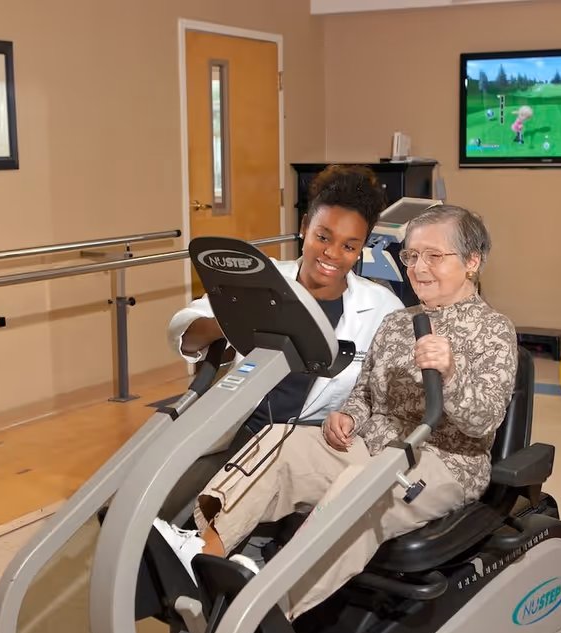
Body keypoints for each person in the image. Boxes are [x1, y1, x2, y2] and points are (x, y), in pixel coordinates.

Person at [157, 205, 519, 620]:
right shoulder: (398, 322)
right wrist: (347, 416)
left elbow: (485, 421)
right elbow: (365, 394)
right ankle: (202, 553)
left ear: (472, 261)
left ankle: (269, 607)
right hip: (373, 447)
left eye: (434, 256)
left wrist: (450, 374)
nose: (419, 268)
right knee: (282, 439)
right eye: (412, 256)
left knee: (363, 485)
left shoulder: (495, 329)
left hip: (445, 462)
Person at [156, 165, 403, 523]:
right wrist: (235, 321)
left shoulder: (383, 308)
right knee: (161, 509)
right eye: (323, 236)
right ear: (304, 227)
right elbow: (185, 331)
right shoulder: (259, 280)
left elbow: (388, 397)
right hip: (246, 428)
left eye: (349, 246)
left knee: (213, 516)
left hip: (315, 440)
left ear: (361, 248)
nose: (332, 254)